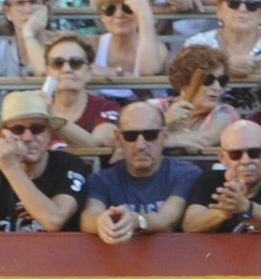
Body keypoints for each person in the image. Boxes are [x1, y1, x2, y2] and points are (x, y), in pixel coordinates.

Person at [0, 92, 92, 231]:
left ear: (50, 133)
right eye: (18, 130)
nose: (27, 137)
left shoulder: (69, 165)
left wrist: (12, 168)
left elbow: (54, 220)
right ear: (4, 135)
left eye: (37, 129)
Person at [79, 101, 199, 240]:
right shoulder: (101, 179)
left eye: (150, 135)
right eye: (131, 136)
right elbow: (88, 218)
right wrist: (102, 221)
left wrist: (137, 221)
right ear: (118, 139)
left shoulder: (186, 174)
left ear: (165, 136)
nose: (141, 145)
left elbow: (169, 219)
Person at [182, 120, 261, 234]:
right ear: (222, 157)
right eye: (236, 154)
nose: (245, 161)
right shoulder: (209, 180)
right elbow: (189, 226)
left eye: (254, 152)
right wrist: (222, 212)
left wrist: (246, 207)